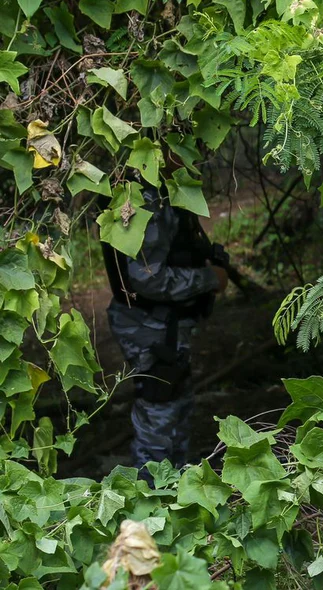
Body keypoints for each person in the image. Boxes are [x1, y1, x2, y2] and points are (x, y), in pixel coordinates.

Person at [101, 179, 228, 473]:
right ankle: (151, 502)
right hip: (148, 326)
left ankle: (172, 491)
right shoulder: (146, 198)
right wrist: (209, 279)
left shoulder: (162, 191)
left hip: (163, 326)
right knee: (159, 414)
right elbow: (147, 278)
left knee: (175, 409)